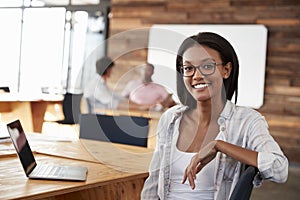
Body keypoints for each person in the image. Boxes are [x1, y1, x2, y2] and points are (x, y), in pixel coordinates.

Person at [141, 32, 288, 199]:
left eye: (207, 66)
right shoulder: (170, 119)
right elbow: (153, 182)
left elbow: (279, 169)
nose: (196, 76)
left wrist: (219, 145)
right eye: (188, 68)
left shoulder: (247, 121)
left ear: (226, 70)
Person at [83, 56, 149, 113]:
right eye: (110, 69)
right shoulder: (97, 86)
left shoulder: (99, 83)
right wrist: (140, 107)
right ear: (107, 70)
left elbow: (115, 96)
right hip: (96, 119)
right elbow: (114, 104)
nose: (111, 71)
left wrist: (137, 104)